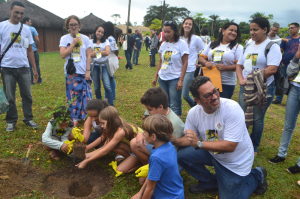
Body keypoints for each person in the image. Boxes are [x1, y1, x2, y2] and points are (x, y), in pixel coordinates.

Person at [177, 76, 268, 198]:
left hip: (235, 163)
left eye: (215, 90)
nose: (215, 96)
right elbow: (189, 139)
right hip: (212, 153)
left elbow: (230, 146)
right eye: (208, 95)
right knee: (182, 156)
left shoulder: (232, 109)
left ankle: (257, 175)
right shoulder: (194, 113)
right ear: (197, 100)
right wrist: (172, 140)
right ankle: (209, 183)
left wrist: (199, 143)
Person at [236, 17, 281, 155]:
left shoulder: (272, 47)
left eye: (255, 29)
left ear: (265, 30)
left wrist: (249, 78)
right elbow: (239, 65)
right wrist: (241, 78)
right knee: (242, 114)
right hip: (246, 86)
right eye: (251, 30)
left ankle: (254, 145)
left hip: (264, 87)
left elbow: (272, 69)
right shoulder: (249, 45)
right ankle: (241, 141)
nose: (252, 32)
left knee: (257, 118)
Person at [0, 1, 39, 132]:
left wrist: (34, 68)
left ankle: (28, 118)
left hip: (23, 68)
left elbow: (29, 50)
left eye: (21, 13)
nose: (19, 15)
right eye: (16, 12)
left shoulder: (26, 29)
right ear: (10, 10)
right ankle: (11, 121)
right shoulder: (2, 26)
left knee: (27, 95)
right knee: (10, 96)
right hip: (7, 67)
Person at [76, 106, 143, 174]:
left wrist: (86, 161)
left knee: (119, 170)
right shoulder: (113, 129)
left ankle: (142, 164)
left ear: (111, 121)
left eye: (103, 123)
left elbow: (105, 151)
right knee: (113, 146)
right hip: (132, 148)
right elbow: (105, 147)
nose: (101, 126)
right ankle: (130, 159)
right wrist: (87, 155)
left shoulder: (121, 131)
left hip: (141, 150)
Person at [131, 115, 184, 199]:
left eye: (145, 132)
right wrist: (140, 193)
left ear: (153, 137)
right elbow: (153, 172)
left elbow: (150, 188)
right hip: (177, 193)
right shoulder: (168, 145)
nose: (143, 134)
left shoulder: (156, 157)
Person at [131, 87, 184, 166]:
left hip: (167, 156)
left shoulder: (174, 124)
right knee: (134, 143)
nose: (148, 112)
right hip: (156, 146)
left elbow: (170, 152)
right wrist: (140, 134)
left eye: (150, 109)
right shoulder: (159, 113)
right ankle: (147, 164)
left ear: (160, 107)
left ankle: (151, 166)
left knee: (133, 143)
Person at [268, 44, 300, 174]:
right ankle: (281, 154)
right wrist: (297, 57)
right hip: (295, 87)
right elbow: (289, 72)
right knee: (288, 124)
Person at [59, 15, 92, 126]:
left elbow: (88, 56)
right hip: (71, 72)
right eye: (71, 25)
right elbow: (63, 55)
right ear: (68, 26)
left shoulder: (86, 39)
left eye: (75, 24)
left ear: (79, 25)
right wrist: (73, 43)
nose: (73, 26)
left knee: (85, 95)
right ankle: (74, 118)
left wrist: (88, 71)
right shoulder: (64, 38)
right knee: (72, 95)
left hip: (84, 71)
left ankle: (83, 115)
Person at [152, 20, 189, 118]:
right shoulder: (164, 44)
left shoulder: (182, 44)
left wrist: (181, 80)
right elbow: (160, 61)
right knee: (165, 102)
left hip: (174, 78)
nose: (166, 34)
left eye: (169, 32)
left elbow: (185, 63)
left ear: (175, 31)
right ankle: (167, 122)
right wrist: (156, 76)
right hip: (163, 78)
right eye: (165, 32)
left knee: (174, 104)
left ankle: (174, 126)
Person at [199, 22, 243, 99]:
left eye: (235, 31)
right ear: (223, 31)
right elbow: (201, 58)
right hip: (209, 81)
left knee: (222, 106)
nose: (233, 33)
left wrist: (226, 68)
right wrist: (206, 62)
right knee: (208, 105)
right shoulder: (211, 44)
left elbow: (240, 66)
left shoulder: (237, 47)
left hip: (226, 83)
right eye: (231, 30)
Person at [180, 17, 205, 107]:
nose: (187, 25)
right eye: (186, 23)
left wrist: (201, 63)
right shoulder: (179, 37)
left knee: (185, 95)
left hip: (189, 68)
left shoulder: (196, 39)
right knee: (177, 93)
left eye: (190, 24)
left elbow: (204, 51)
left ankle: (196, 108)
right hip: (177, 68)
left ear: (192, 26)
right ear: (183, 24)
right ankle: (178, 113)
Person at [272, 22, 300, 105]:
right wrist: (282, 63)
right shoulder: (286, 39)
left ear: (297, 28)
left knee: (294, 82)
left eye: (292, 28)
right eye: (289, 28)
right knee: (282, 81)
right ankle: (278, 99)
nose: (290, 29)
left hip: (297, 66)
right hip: (285, 64)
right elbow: (280, 51)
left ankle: (291, 100)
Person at [90, 25, 113, 105]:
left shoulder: (106, 41)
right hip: (94, 66)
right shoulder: (90, 42)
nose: (100, 33)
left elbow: (107, 52)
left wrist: (95, 52)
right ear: (95, 31)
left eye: (102, 32)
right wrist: (101, 52)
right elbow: (89, 54)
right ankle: (99, 105)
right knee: (96, 87)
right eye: (99, 31)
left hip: (104, 66)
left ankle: (111, 105)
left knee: (107, 86)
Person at [22, 17, 42, 84]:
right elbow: (37, 39)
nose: (31, 23)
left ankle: (31, 81)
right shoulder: (32, 28)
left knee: (28, 66)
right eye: (30, 22)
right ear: (26, 21)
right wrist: (37, 47)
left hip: (25, 51)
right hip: (33, 50)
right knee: (36, 65)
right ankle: (39, 80)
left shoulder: (20, 28)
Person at [103, 21, 118, 102]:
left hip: (110, 60)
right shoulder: (110, 37)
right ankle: (112, 95)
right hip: (111, 59)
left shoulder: (109, 38)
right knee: (111, 78)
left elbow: (114, 50)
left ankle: (107, 97)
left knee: (107, 79)